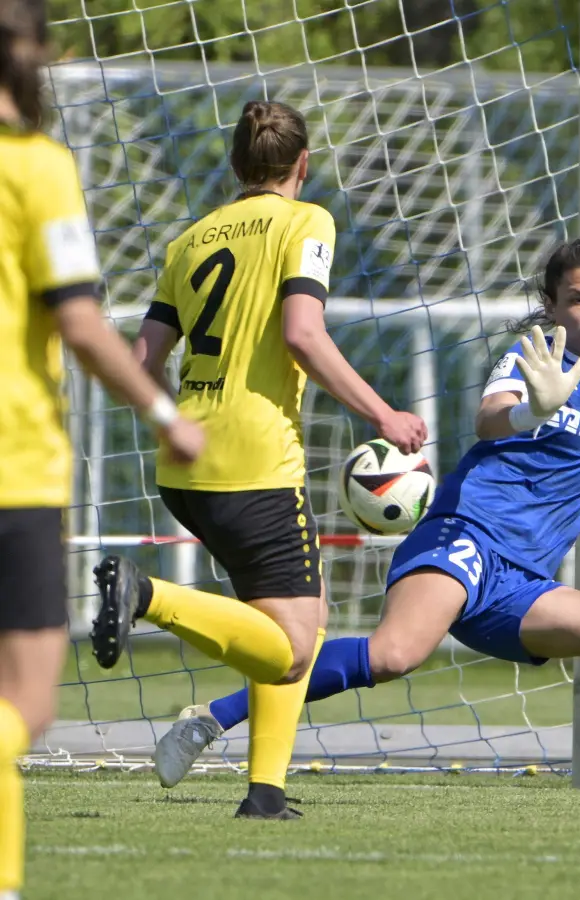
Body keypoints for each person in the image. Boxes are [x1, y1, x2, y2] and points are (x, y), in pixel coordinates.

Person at [151, 222, 580, 789]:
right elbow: (492, 420)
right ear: (552, 304)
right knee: (396, 655)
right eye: (578, 299)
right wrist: (533, 411)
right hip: (463, 539)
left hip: (523, 584)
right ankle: (211, 719)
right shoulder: (533, 356)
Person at [91, 99, 428, 820]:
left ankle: (265, 794)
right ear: (302, 165)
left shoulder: (192, 239)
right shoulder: (306, 222)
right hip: (256, 461)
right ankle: (145, 596)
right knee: (291, 648)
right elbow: (303, 335)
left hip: (185, 463)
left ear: (237, 165)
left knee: (291, 622)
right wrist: (384, 414)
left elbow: (140, 363)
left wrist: (171, 419)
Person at [0, 3, 205, 894]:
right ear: (37, 54)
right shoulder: (38, 168)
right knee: (29, 705)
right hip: (16, 468)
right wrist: (164, 414)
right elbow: (81, 323)